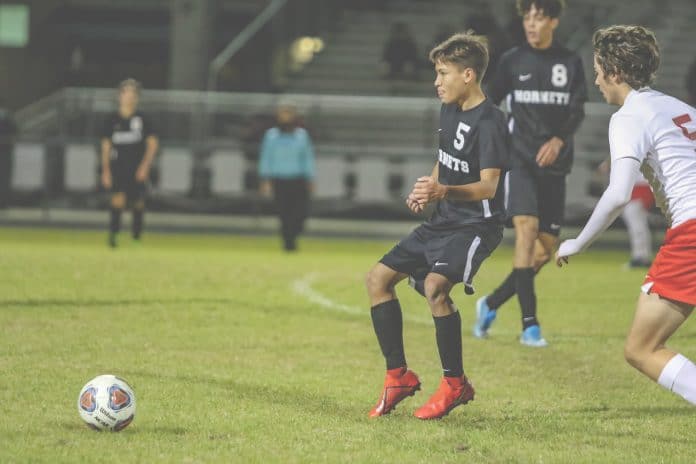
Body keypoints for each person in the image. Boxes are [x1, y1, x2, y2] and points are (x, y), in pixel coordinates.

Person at [366, 32, 508, 420]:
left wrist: (443, 190)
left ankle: (455, 384)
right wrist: (428, 189)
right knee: (377, 280)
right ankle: (398, 376)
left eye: (443, 73)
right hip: (443, 219)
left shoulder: (492, 121)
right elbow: (444, 159)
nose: (436, 81)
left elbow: (489, 186)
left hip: (477, 225)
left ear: (468, 74)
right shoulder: (449, 108)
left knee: (434, 288)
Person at [557, 25, 696, 406]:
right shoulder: (683, 109)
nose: (596, 77)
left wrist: (578, 241)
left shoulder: (629, 116)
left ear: (615, 71)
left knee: (642, 348)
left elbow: (619, 193)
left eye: (599, 67)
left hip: (693, 234)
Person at [473, 0, 587, 346]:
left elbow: (577, 110)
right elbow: (488, 103)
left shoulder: (570, 62)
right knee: (527, 230)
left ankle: (490, 304)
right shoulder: (511, 60)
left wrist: (558, 139)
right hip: (519, 162)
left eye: (539, 17)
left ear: (553, 21)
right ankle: (530, 325)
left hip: (555, 165)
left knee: (545, 249)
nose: (532, 24)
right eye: (527, 17)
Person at [100, 79, 159, 248]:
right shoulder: (112, 120)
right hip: (118, 165)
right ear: (120, 96)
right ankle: (113, 236)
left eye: (133, 94)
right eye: (126, 93)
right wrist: (105, 170)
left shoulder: (143, 119)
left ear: (137, 98)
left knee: (138, 202)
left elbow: (153, 144)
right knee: (117, 199)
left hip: (137, 167)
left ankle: (136, 237)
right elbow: (105, 146)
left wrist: (145, 166)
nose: (130, 97)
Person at [258, 105, 315, 252]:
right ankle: (288, 243)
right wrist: (265, 179)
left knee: (300, 212)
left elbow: (307, 158)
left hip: (297, 179)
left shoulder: (302, 136)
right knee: (283, 212)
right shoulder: (271, 136)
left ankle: (294, 234)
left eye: (288, 114)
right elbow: (266, 157)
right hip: (279, 179)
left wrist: (310, 178)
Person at [0, 100, 17, 209]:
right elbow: (15, 131)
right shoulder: (8, 117)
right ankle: (3, 202)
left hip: (5, 150)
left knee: (4, 177)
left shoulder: (7, 117)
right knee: (4, 178)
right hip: (6, 151)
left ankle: (3, 202)